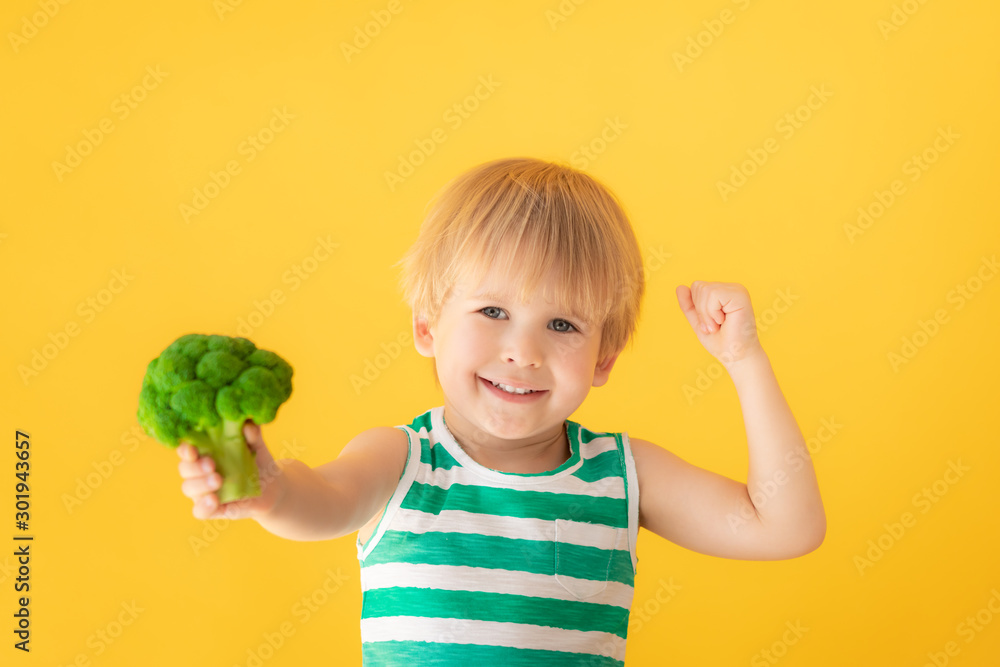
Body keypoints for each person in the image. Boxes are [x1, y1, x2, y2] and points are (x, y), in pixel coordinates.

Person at [177, 157, 826, 665]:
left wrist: (744, 359)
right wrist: (271, 491)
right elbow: (325, 502)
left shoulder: (623, 476)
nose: (523, 352)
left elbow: (785, 526)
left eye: (563, 324)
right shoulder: (401, 459)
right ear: (427, 325)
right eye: (492, 311)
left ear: (604, 358)